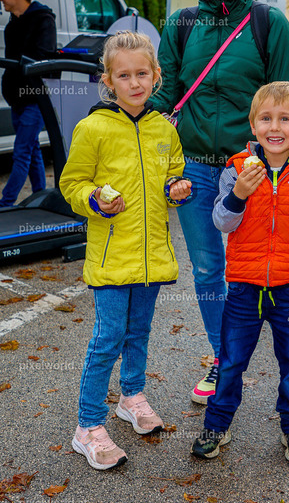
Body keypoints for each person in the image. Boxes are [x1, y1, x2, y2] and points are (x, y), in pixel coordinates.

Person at [152, 0, 289, 421]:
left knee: (276, 271)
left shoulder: (268, 23)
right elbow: (165, 95)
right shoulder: (181, 23)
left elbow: (286, 104)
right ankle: (223, 359)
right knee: (209, 270)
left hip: (254, 170)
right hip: (193, 169)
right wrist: (120, 110)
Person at [59, 32, 192, 471]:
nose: (134, 83)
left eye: (142, 74)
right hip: (111, 258)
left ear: (156, 76)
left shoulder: (164, 129)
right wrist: (95, 199)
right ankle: (88, 425)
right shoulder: (93, 128)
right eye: (123, 75)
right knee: (107, 339)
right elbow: (71, 184)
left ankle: (132, 396)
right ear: (107, 80)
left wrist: (176, 189)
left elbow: (172, 175)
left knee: (138, 333)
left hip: (152, 257)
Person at [191, 81, 289, 463]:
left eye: (285, 119)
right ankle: (217, 426)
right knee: (230, 362)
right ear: (253, 125)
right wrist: (238, 194)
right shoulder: (238, 169)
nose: (275, 127)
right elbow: (222, 221)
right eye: (266, 118)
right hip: (244, 288)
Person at [0, 0, 56, 207]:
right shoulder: (11, 25)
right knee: (32, 150)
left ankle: (6, 204)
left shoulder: (43, 20)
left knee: (21, 151)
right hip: (16, 99)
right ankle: (40, 197)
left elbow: (43, 57)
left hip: (35, 98)